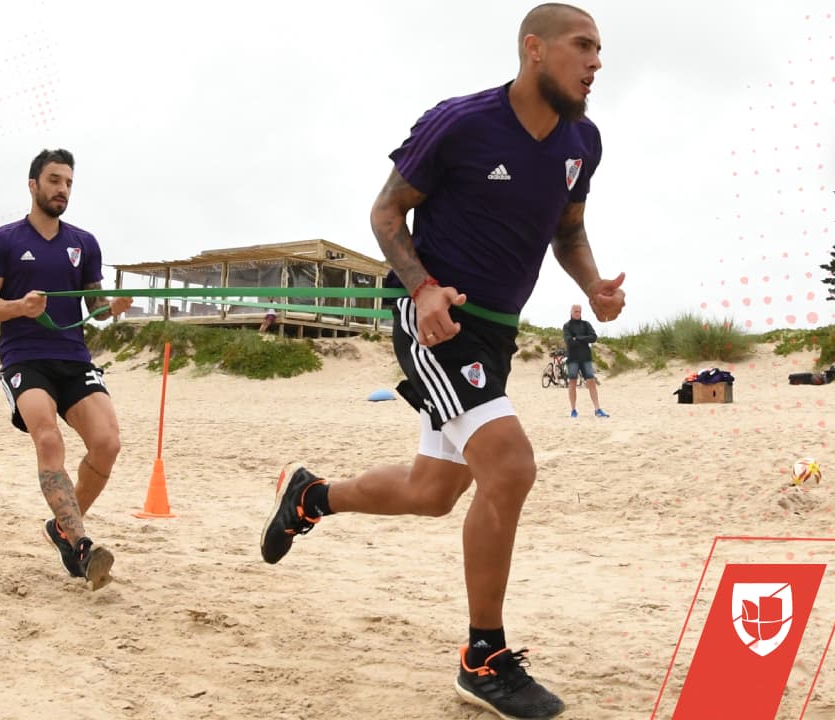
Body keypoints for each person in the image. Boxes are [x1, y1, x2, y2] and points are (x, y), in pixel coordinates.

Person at [259, 6, 622, 718]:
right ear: (534, 50)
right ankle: (482, 658)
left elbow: (569, 231)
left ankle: (311, 496)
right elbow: (387, 212)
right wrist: (421, 289)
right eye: (583, 47)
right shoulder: (461, 123)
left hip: (497, 335)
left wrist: (593, 285)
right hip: (434, 322)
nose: (596, 62)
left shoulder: (584, 141)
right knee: (511, 466)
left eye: (600, 50)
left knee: (434, 491)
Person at [0, 148, 132, 591]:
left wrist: (113, 308)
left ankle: (61, 527)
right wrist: (19, 307)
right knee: (48, 437)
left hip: (74, 358)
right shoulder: (3, 241)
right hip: (25, 359)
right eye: (55, 181)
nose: (62, 189)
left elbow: (95, 307)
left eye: (68, 183)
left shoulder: (84, 243)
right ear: (33, 185)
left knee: (108, 444)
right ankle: (81, 544)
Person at [562, 303, 607, 418]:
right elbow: (569, 341)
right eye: (575, 311)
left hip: (586, 358)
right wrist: (583, 340)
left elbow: (594, 337)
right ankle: (573, 410)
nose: (577, 313)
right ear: (571, 312)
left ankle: (597, 409)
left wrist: (578, 338)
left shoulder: (586, 324)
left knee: (591, 382)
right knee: (572, 383)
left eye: (579, 311)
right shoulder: (567, 326)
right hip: (573, 359)